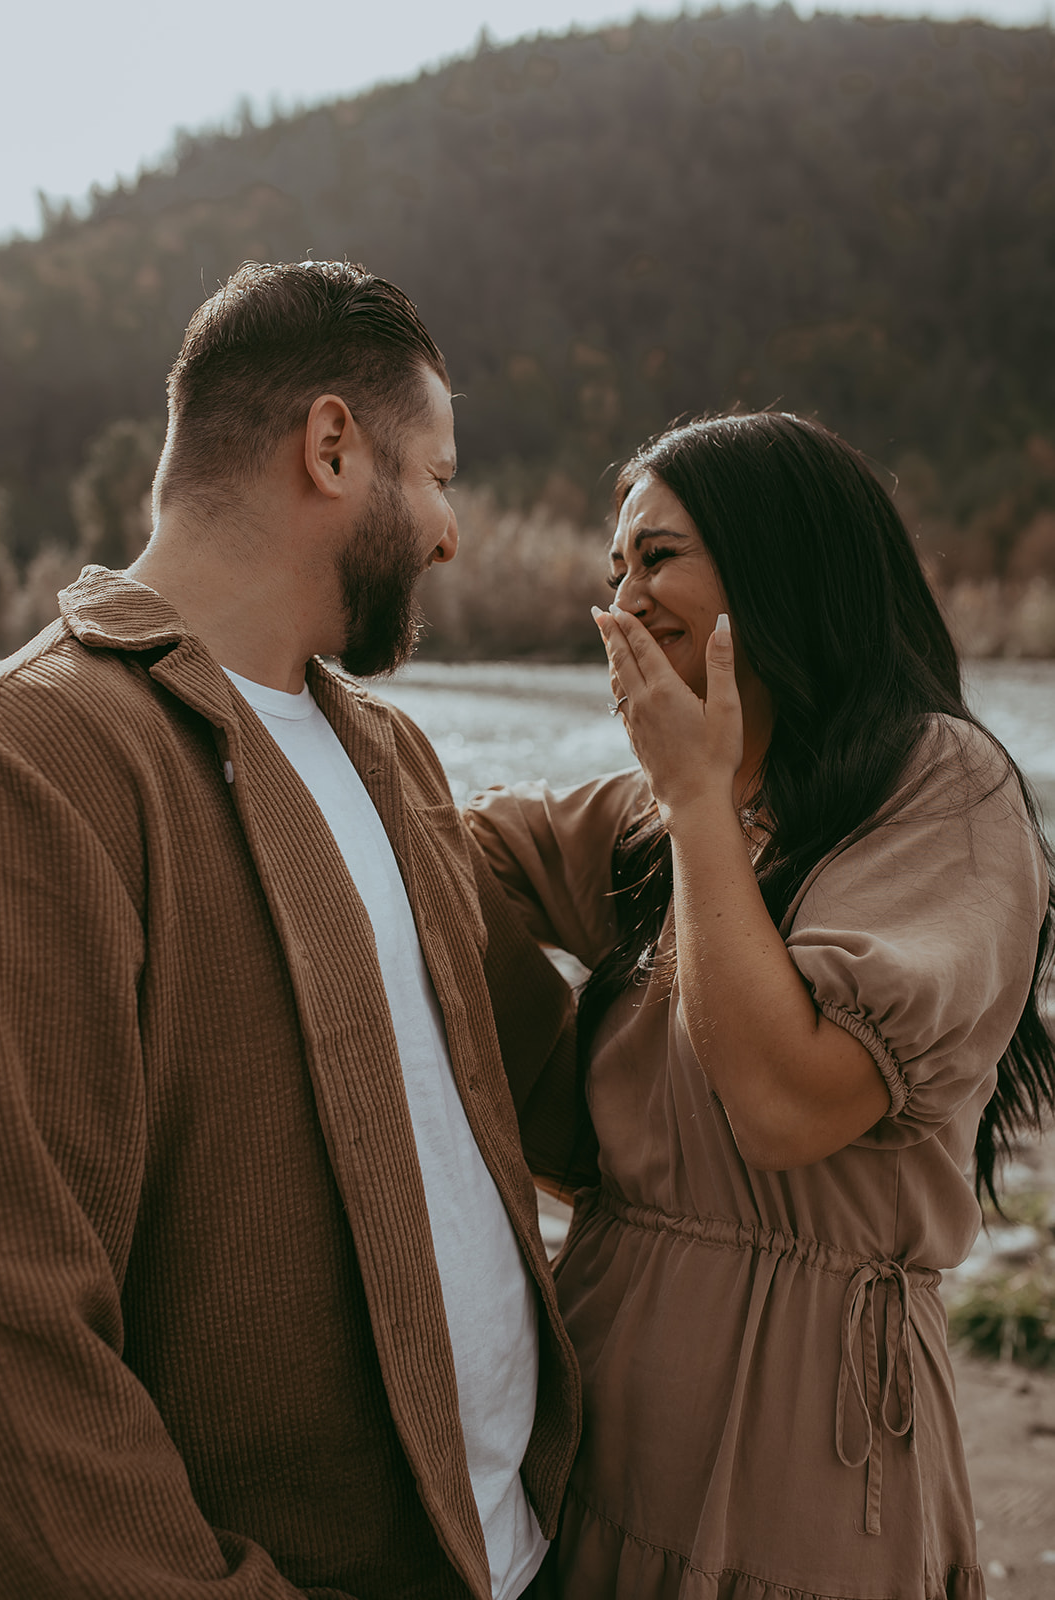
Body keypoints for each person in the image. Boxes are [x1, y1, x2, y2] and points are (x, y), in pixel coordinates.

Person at [0, 260, 582, 1600]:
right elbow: (15, 1329)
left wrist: (748, 837)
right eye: (435, 474)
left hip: (523, 1552)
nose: (446, 532)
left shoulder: (392, 754)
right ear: (331, 448)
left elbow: (555, 1084)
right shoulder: (43, 758)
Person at [466, 411, 1055, 1600]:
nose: (622, 592)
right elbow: (449, 854)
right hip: (595, 1420)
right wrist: (554, 1114)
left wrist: (688, 797)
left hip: (809, 1457)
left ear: (779, 558)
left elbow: (785, 1105)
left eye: (660, 553)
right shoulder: (674, 810)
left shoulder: (944, 787)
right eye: (614, 563)